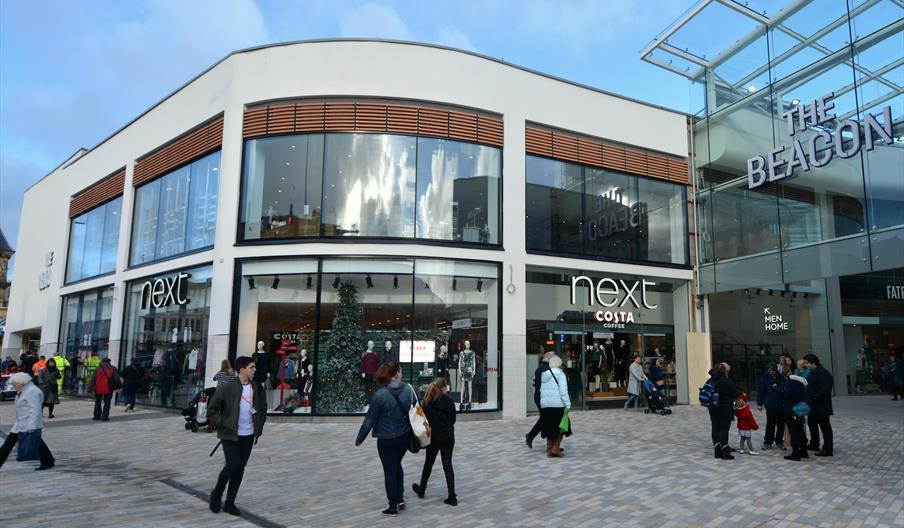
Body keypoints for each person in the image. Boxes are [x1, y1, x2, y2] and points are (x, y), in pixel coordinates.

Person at [207, 356, 267, 516]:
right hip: (230, 434)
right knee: (232, 465)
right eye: (252, 367)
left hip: (248, 435)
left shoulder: (257, 387)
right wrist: (223, 422)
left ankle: (229, 503)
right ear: (242, 370)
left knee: (240, 468)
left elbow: (262, 408)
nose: (255, 370)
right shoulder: (227, 387)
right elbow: (211, 410)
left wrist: (259, 425)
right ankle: (216, 494)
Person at [355, 362, 414, 517]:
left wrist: (360, 439)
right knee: (397, 465)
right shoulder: (408, 389)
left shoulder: (380, 395)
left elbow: (370, 419)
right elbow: (416, 408)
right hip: (404, 436)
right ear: (395, 374)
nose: (401, 374)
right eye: (400, 371)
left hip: (386, 438)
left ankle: (392, 506)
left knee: (389, 470)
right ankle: (400, 498)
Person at [412, 378, 457, 506]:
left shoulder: (428, 402)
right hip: (449, 436)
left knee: (429, 463)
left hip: (435, 437)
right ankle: (452, 496)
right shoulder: (449, 401)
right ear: (443, 388)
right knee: (447, 464)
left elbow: (424, 421)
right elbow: (453, 419)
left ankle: (422, 489)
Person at [0, 372, 56, 470]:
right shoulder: (23, 391)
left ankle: (48, 461)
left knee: (12, 444)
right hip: (21, 423)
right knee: (35, 443)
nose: (13, 386)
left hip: (28, 424)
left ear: (22, 382)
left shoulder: (32, 392)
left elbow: (35, 410)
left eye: (15, 384)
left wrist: (32, 426)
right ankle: (48, 460)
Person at [539, 354, 571, 458]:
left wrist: (543, 403)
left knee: (549, 428)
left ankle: (549, 450)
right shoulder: (561, 374)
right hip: (558, 405)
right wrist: (568, 404)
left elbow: (541, 390)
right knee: (562, 427)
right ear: (559, 364)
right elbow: (563, 391)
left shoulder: (544, 375)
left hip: (546, 405)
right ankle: (555, 448)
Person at [803, 354, 833, 457]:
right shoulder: (813, 372)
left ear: (813, 363)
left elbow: (825, 390)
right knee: (812, 425)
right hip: (812, 406)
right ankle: (814, 444)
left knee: (825, 428)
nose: (805, 365)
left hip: (821, 406)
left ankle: (828, 449)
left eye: (807, 363)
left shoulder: (823, 373)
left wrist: (814, 398)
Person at [707, 362, 739, 460]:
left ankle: (717, 450)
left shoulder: (710, 380)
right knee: (724, 429)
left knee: (715, 427)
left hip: (713, 407)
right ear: (724, 371)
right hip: (725, 408)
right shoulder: (726, 381)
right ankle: (725, 451)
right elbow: (735, 394)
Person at [779, 371, 809, 461]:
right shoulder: (800, 383)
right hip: (799, 409)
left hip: (790, 410)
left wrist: (777, 388)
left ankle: (796, 453)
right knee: (800, 429)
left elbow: (785, 394)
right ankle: (804, 451)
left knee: (793, 430)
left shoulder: (789, 383)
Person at [525, 349, 552, 449]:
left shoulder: (541, 368)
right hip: (543, 398)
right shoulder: (546, 370)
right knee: (546, 418)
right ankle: (531, 436)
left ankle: (550, 444)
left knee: (546, 419)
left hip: (539, 397)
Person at [756, 365, 787, 450]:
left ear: (776, 370)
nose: (771, 372)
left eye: (773, 370)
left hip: (781, 404)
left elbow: (785, 388)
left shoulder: (780, 377)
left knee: (781, 424)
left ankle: (779, 441)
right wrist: (760, 403)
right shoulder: (764, 379)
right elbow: (760, 392)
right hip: (770, 404)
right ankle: (768, 442)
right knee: (770, 423)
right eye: (770, 370)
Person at [87, 357, 120, 421]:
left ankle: (96, 416)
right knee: (107, 403)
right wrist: (119, 387)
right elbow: (117, 379)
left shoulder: (97, 369)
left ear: (102, 362)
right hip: (108, 388)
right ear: (109, 362)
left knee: (97, 402)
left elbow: (92, 380)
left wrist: (89, 390)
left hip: (98, 389)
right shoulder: (113, 368)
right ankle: (104, 417)